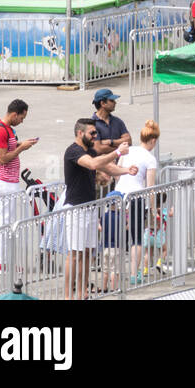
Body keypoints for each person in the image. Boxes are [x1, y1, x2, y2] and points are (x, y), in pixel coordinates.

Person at [62, 118, 138, 301]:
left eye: (96, 132)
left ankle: (82, 293)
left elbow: (107, 166)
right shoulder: (73, 151)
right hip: (75, 209)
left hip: (89, 208)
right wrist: (118, 151)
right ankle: (67, 296)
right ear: (80, 133)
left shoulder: (89, 150)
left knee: (87, 252)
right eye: (92, 133)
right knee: (74, 254)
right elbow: (93, 165)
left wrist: (126, 170)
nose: (96, 136)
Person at [0, 99, 37, 266]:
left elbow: (7, 147)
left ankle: (2, 259)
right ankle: (0, 261)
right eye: (22, 118)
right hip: (5, 181)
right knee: (4, 223)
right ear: (14, 114)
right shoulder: (0, 130)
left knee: (6, 221)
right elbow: (2, 158)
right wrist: (21, 148)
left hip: (10, 181)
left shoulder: (8, 129)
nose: (22, 121)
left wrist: (20, 144)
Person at [115, 119, 160, 285]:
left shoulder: (128, 150)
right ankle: (134, 274)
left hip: (118, 195)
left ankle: (114, 276)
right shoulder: (150, 158)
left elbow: (117, 173)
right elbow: (150, 187)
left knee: (115, 239)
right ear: (153, 140)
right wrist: (153, 207)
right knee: (136, 239)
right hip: (136, 198)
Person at [91, 88, 131, 156]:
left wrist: (111, 142)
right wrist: (120, 148)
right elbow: (98, 149)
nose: (115, 102)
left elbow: (129, 141)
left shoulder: (118, 121)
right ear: (103, 103)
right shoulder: (92, 124)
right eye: (112, 100)